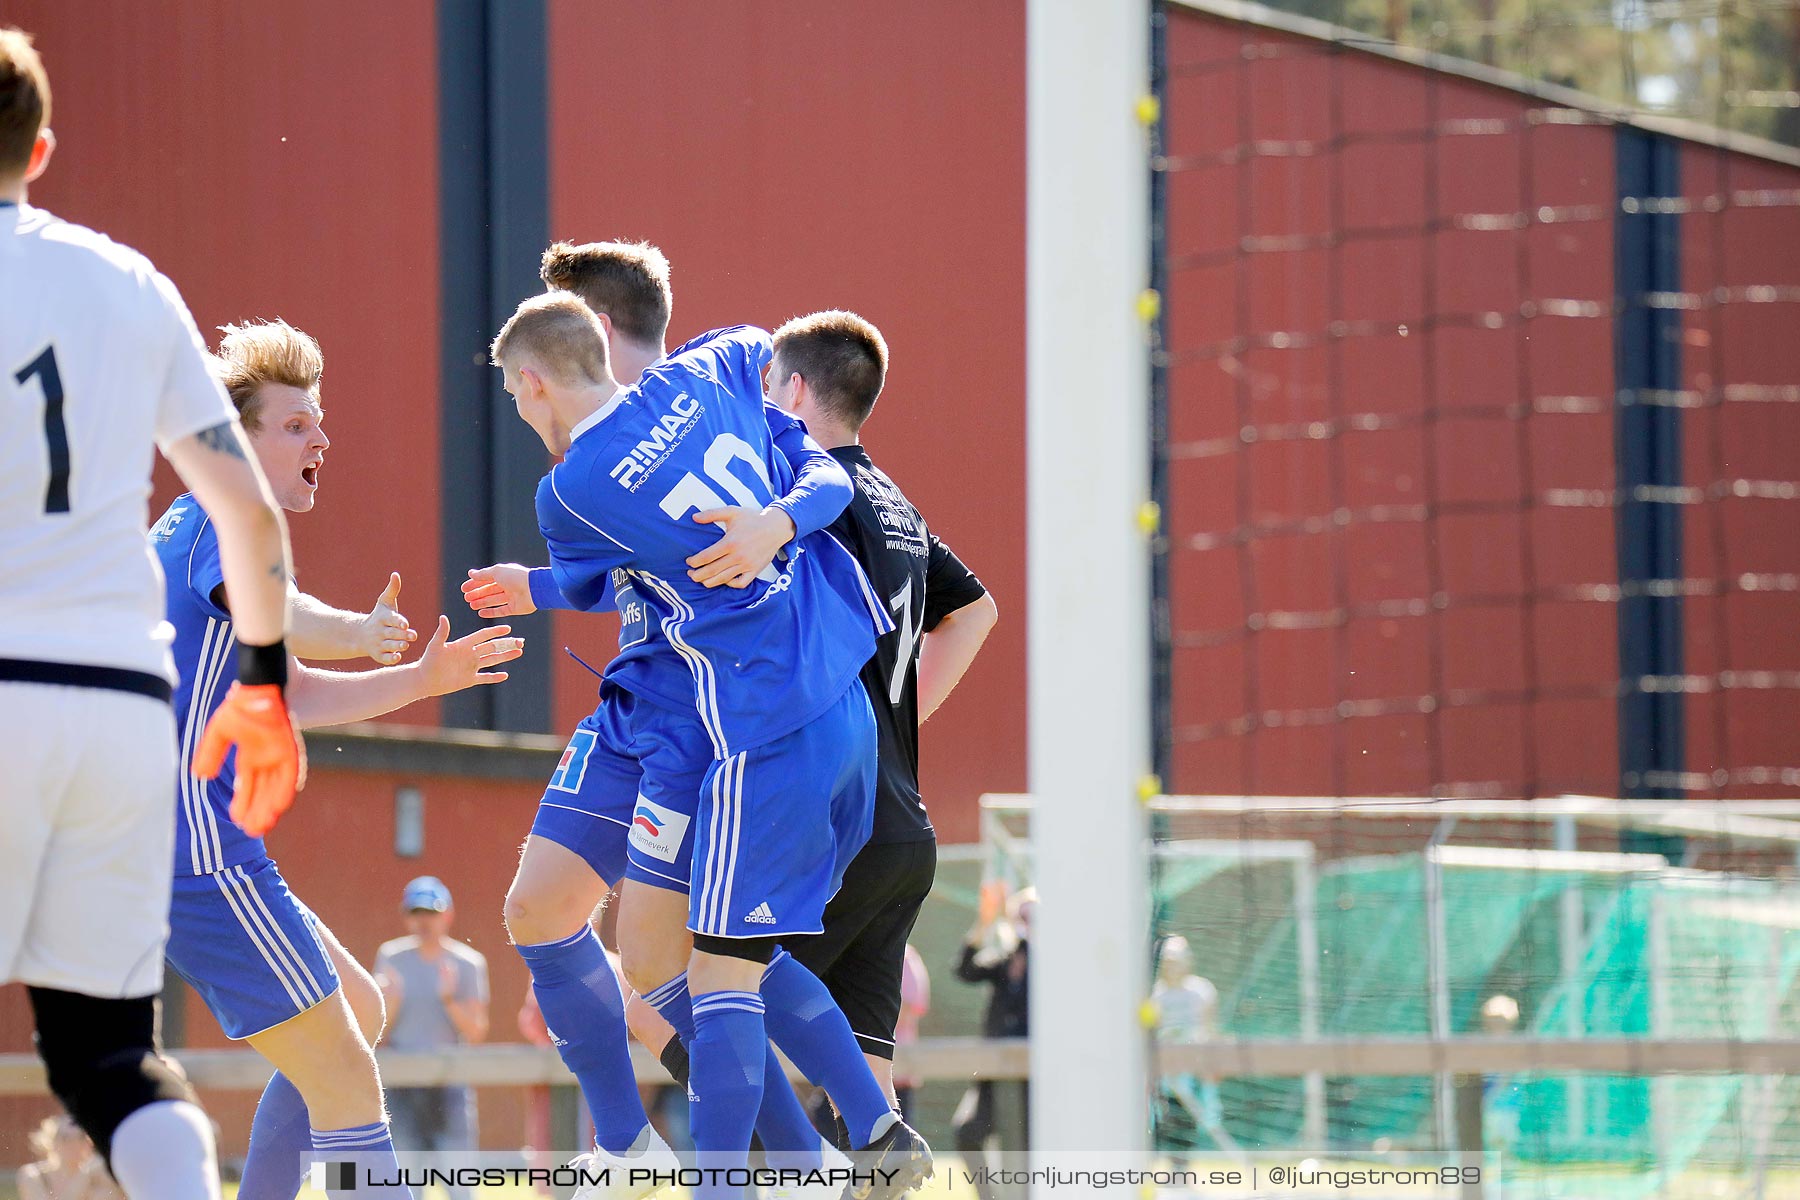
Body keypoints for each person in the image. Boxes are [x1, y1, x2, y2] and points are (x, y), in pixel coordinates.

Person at [470, 244, 926, 1199]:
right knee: (568, 920)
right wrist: (778, 522)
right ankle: (696, 1148)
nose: (520, 412)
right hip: (682, 703)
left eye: (519, 393)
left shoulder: (574, 488)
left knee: (704, 968)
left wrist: (544, 581)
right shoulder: (723, 364)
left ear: (569, 350)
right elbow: (823, 469)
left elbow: (595, 565)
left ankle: (804, 1153)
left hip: (722, 723)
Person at [0, 28, 302, 1200]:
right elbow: (248, 517)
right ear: (45, 148)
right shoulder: (130, 283)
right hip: (125, 703)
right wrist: (266, 690)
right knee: (115, 1061)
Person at [153, 319, 522, 1200]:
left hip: (177, 847)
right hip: (198, 855)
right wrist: (360, 631)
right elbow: (277, 608)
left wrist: (422, 678)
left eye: (319, 421)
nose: (319, 437)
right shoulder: (225, 512)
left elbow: (293, 691)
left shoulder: (200, 523)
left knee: (359, 1011)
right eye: (293, 424)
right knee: (350, 1083)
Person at [761, 311, 996, 1130]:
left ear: (792, 390)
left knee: (709, 1006)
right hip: (905, 834)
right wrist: (904, 721)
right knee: (864, 1092)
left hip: (839, 823)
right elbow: (977, 612)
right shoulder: (894, 499)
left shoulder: (805, 499)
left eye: (765, 386)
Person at [375, 877, 491, 1200]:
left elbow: (476, 1032)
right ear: (406, 916)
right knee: (406, 1185)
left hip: (450, 1086)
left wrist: (449, 1000)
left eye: (431, 912)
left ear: (447, 915)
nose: (424, 921)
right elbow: (375, 1036)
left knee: (459, 1185)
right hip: (401, 1088)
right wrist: (391, 1002)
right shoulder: (391, 958)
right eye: (417, 912)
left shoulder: (467, 963)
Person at [952, 884, 1033, 1184]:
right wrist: (985, 921)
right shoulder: (1004, 960)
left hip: (1033, 1077)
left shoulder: (1055, 964)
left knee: (1025, 1155)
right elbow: (964, 970)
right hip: (992, 1072)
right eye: (1023, 915)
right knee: (967, 1132)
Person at [1150, 935, 1240, 1156]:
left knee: (1191, 1116)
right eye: (1169, 961)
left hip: (1192, 1066)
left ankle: (1181, 1170)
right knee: (1164, 1116)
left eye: (1177, 960)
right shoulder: (1154, 994)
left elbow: (1208, 1028)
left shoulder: (1201, 990)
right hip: (1163, 1069)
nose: (1173, 966)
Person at [17, 1116, 125, 1200]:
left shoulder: (101, 1175)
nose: (74, 1144)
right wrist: (83, 1177)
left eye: (81, 1137)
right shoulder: (35, 1175)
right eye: (65, 1138)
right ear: (51, 1142)